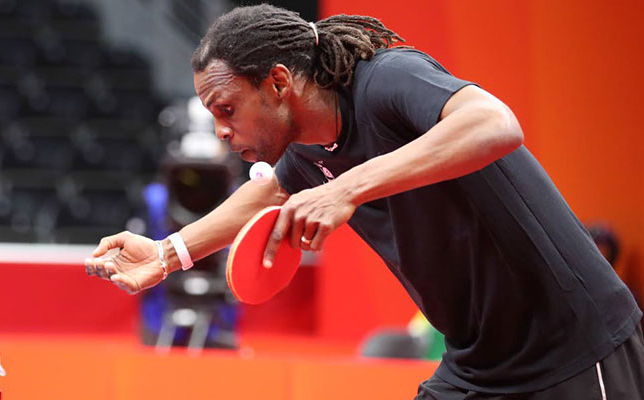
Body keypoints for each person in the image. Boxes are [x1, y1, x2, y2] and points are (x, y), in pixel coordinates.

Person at [84, 5, 644, 399]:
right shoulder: (306, 154)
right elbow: (266, 191)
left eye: (227, 109)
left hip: (573, 346)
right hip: (478, 362)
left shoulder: (388, 80)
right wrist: (165, 254)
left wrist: (347, 188)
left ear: (278, 83)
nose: (221, 131)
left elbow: (495, 125)